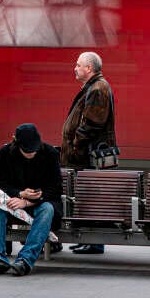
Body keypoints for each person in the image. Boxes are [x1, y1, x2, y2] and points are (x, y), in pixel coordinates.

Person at [0, 123, 63, 276]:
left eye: (34, 149)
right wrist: (20, 194)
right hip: (15, 199)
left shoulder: (50, 153)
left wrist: (28, 201)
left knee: (47, 209)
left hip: (41, 201)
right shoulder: (6, 153)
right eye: (27, 151)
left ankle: (25, 260)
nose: (32, 153)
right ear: (17, 145)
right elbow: (1, 184)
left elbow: (55, 189)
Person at [61, 51, 116, 254]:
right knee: (85, 197)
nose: (75, 68)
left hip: (88, 157)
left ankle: (94, 242)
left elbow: (92, 123)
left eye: (78, 65)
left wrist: (76, 144)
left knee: (91, 196)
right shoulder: (93, 87)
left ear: (89, 68)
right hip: (84, 156)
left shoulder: (98, 88)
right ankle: (88, 239)